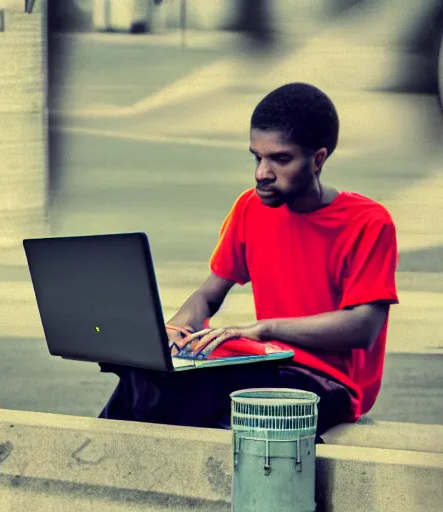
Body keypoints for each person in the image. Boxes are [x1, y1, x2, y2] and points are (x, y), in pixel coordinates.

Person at [98, 82, 399, 437]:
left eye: (280, 159)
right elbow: (207, 295)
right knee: (144, 378)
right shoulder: (250, 209)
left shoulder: (368, 222)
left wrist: (266, 328)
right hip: (261, 365)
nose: (262, 173)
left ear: (318, 159)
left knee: (214, 396)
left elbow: (363, 327)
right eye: (257, 157)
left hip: (325, 383)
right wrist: (172, 336)